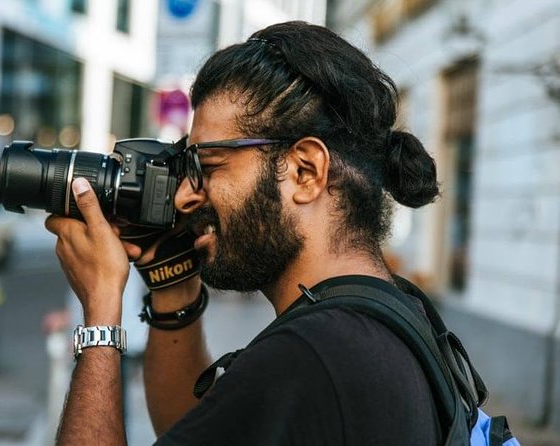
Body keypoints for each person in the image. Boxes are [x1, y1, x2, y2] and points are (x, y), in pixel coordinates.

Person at [45, 21, 442, 445]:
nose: (184, 198)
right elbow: (194, 428)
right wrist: (173, 284)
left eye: (208, 167)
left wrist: (103, 309)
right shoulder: (397, 315)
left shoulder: (310, 358)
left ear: (305, 172)